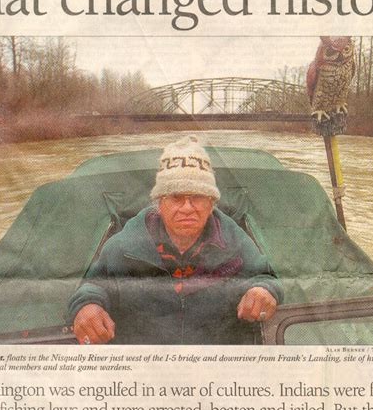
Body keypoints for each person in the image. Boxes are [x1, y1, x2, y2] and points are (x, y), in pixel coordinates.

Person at [69, 136, 283, 344]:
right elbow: (93, 285)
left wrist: (263, 290)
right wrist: (87, 305)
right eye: (176, 198)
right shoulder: (124, 246)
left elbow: (266, 276)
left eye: (197, 197)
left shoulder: (235, 241)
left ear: (211, 204)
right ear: (160, 204)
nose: (187, 208)